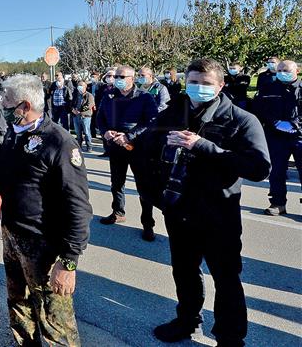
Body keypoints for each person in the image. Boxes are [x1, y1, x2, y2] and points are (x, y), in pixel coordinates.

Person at [143, 58, 271, 347]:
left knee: (226, 278)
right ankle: (187, 320)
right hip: (179, 210)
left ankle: (230, 337)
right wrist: (155, 194)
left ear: (221, 85)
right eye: (194, 82)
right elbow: (147, 149)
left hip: (218, 214)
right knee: (184, 271)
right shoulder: (173, 113)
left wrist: (202, 146)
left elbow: (260, 168)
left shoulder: (240, 119)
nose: (199, 88)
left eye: (206, 83)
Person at [0, 74, 92, 347]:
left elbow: (78, 208)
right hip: (12, 235)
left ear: (24, 106)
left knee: (54, 320)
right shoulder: (14, 132)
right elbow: (10, 169)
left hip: (44, 244)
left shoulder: (60, 142)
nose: (0, 106)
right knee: (18, 303)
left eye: (5, 101)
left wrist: (68, 263)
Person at [96, 65, 159, 241]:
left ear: (132, 78)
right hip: (115, 146)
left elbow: (152, 121)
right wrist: (105, 132)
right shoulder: (109, 96)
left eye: (121, 76)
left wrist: (129, 136)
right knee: (116, 182)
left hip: (138, 148)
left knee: (143, 187)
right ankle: (118, 212)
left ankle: (148, 223)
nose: (117, 79)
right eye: (116, 76)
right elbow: (100, 117)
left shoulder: (145, 97)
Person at [252, 59, 301, 215]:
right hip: (276, 136)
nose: (281, 74)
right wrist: (275, 122)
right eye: (279, 71)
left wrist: (295, 124)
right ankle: (278, 203)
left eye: (286, 71)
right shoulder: (268, 88)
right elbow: (259, 110)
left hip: (299, 136)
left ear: (297, 71)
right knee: (276, 172)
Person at [71, 80, 95, 152]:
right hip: (76, 116)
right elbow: (71, 104)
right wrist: (72, 110)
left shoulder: (89, 95)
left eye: (81, 85)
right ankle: (79, 146)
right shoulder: (75, 95)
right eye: (79, 85)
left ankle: (89, 146)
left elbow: (90, 105)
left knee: (87, 132)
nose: (79, 87)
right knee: (78, 132)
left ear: (85, 87)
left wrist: (80, 111)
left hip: (85, 117)